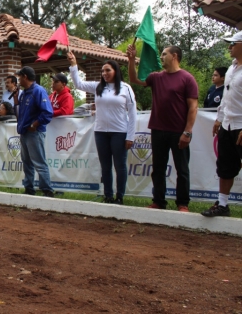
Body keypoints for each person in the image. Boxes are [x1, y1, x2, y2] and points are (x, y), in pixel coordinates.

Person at [127, 44, 198, 212]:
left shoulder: (187, 78)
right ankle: (158, 201)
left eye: (164, 54)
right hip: (158, 130)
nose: (161, 56)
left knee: (182, 169)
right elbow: (134, 80)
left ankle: (183, 203)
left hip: (179, 132)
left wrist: (187, 132)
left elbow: (193, 107)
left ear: (174, 56)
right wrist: (131, 60)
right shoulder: (155, 77)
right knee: (158, 168)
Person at [68, 53, 137, 204]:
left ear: (116, 71)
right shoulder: (98, 87)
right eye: (103, 71)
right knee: (105, 166)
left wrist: (130, 136)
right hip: (100, 132)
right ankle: (108, 195)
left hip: (119, 133)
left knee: (119, 165)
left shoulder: (126, 88)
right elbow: (78, 84)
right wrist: (74, 64)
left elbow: (132, 114)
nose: (104, 73)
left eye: (108, 70)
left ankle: (120, 196)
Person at [202, 32, 242, 217]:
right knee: (225, 166)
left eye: (233, 43)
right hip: (228, 124)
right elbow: (226, 98)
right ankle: (223, 205)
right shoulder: (232, 69)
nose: (229, 47)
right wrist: (219, 118)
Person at [13, 66, 54, 197]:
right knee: (27, 163)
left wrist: (35, 124)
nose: (18, 79)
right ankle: (29, 188)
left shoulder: (38, 91)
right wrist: (15, 99)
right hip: (24, 132)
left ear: (25, 76)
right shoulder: (24, 93)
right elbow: (19, 114)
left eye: (19, 77)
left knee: (39, 162)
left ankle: (47, 190)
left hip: (34, 133)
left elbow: (48, 112)